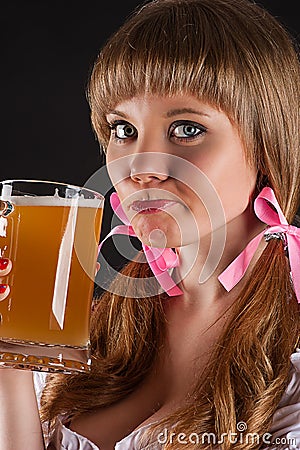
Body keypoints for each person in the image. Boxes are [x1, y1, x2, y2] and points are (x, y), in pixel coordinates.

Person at [0, 0, 299, 448]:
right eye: (123, 130)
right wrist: (9, 364)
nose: (140, 167)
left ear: (266, 143)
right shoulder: (100, 319)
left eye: (185, 128)